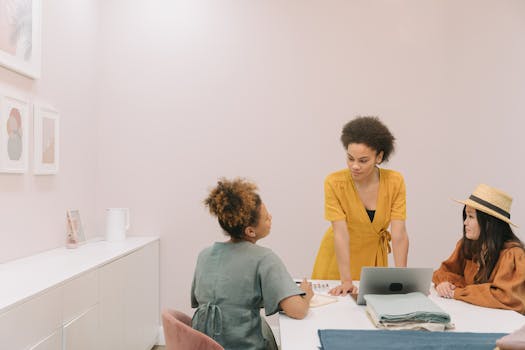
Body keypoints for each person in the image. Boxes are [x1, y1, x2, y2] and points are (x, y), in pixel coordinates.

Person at [191, 178, 313, 350]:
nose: (270, 217)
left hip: (203, 344)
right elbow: (298, 311)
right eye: (266, 217)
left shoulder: (204, 255)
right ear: (250, 231)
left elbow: (207, 299)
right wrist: (306, 295)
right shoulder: (264, 258)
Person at [311, 116, 409, 296]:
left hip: (372, 263)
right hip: (337, 263)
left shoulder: (395, 182)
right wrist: (346, 281)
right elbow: (340, 233)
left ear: (379, 156)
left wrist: (401, 280)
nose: (354, 166)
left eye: (363, 160)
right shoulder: (334, 183)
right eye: (350, 158)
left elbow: (399, 234)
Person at [433, 184, 525, 314]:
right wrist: (445, 284)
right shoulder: (467, 246)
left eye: (471, 217)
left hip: (503, 326)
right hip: (474, 316)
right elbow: (442, 272)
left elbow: (505, 297)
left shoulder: (513, 255)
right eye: (466, 216)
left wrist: (458, 292)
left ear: (488, 224)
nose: (465, 222)